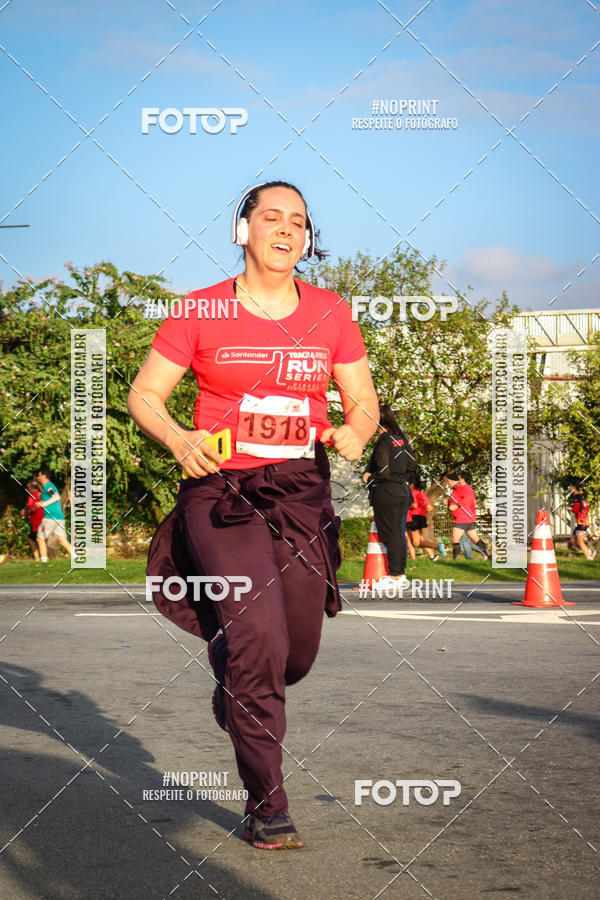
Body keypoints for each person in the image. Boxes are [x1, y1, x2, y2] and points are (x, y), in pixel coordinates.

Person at [128, 181, 378, 850]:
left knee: (293, 652)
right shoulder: (199, 309)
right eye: (272, 217)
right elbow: (145, 394)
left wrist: (356, 430)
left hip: (299, 489)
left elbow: (362, 400)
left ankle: (237, 682)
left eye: (299, 220)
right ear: (243, 231)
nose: (287, 228)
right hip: (221, 491)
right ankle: (268, 805)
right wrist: (179, 438)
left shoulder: (331, 312)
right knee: (256, 638)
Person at [363, 404, 417, 590]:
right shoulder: (400, 439)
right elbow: (412, 465)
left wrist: (370, 478)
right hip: (402, 491)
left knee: (390, 534)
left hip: (386, 492)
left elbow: (384, 472)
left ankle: (394, 576)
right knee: (398, 534)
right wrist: (401, 477)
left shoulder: (384, 441)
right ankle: (400, 574)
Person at [444, 470, 491, 560]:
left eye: (448, 481)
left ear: (461, 479)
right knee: (475, 539)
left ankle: (455, 560)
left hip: (463, 518)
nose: (448, 483)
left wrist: (456, 505)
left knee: (455, 538)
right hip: (467, 518)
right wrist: (450, 502)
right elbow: (460, 499)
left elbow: (468, 500)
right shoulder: (459, 489)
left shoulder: (464, 488)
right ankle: (489, 555)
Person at [35, 469, 72, 561]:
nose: (38, 477)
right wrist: (42, 500)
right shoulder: (49, 487)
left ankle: (44, 561)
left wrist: (43, 504)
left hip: (50, 517)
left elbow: (56, 497)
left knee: (40, 539)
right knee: (62, 540)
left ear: (43, 476)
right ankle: (77, 557)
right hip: (59, 517)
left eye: (38, 475)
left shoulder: (48, 486)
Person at [408, 477, 445, 560]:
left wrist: (406, 505)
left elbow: (414, 505)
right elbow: (429, 508)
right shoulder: (421, 494)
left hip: (414, 517)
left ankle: (437, 546)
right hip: (420, 517)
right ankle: (431, 556)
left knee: (416, 542)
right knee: (415, 539)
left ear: (412, 485)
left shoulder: (412, 493)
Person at [567, 479, 597, 560]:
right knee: (573, 541)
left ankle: (589, 558)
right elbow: (586, 508)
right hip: (582, 521)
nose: (569, 488)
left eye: (570, 486)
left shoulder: (577, 497)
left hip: (582, 522)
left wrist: (569, 508)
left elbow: (576, 510)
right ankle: (590, 552)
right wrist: (573, 506)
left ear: (574, 487)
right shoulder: (581, 496)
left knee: (580, 541)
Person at [21, 479, 43, 562]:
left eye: (28, 487)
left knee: (31, 539)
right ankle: (47, 558)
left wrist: (24, 512)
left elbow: (32, 510)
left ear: (30, 487)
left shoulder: (32, 496)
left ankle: (38, 559)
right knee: (41, 540)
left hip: (37, 523)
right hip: (43, 521)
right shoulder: (41, 494)